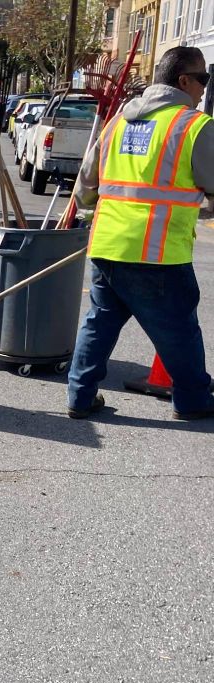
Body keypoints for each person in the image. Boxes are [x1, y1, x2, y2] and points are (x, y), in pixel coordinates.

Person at [67, 46, 214, 420]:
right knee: (179, 331)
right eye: (203, 79)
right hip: (158, 252)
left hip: (108, 244)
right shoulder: (192, 125)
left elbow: (86, 185)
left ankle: (80, 397)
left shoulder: (118, 121)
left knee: (99, 322)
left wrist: (90, 214)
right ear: (183, 80)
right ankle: (194, 401)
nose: (204, 89)